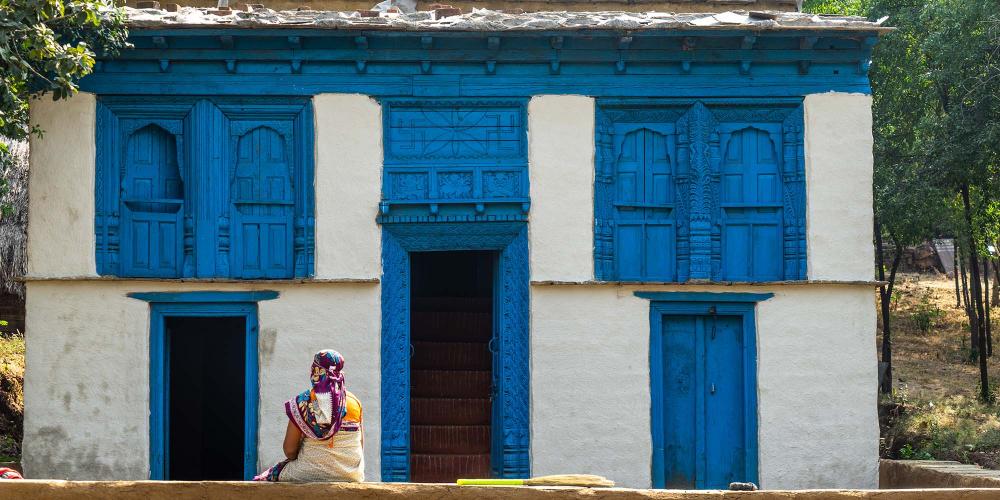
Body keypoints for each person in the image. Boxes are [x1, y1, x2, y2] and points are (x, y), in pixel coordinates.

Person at [254, 349, 364, 482]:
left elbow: (290, 451)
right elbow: (360, 446)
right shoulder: (354, 402)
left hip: (306, 472)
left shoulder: (302, 402)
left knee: (270, 476)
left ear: (315, 371)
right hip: (351, 475)